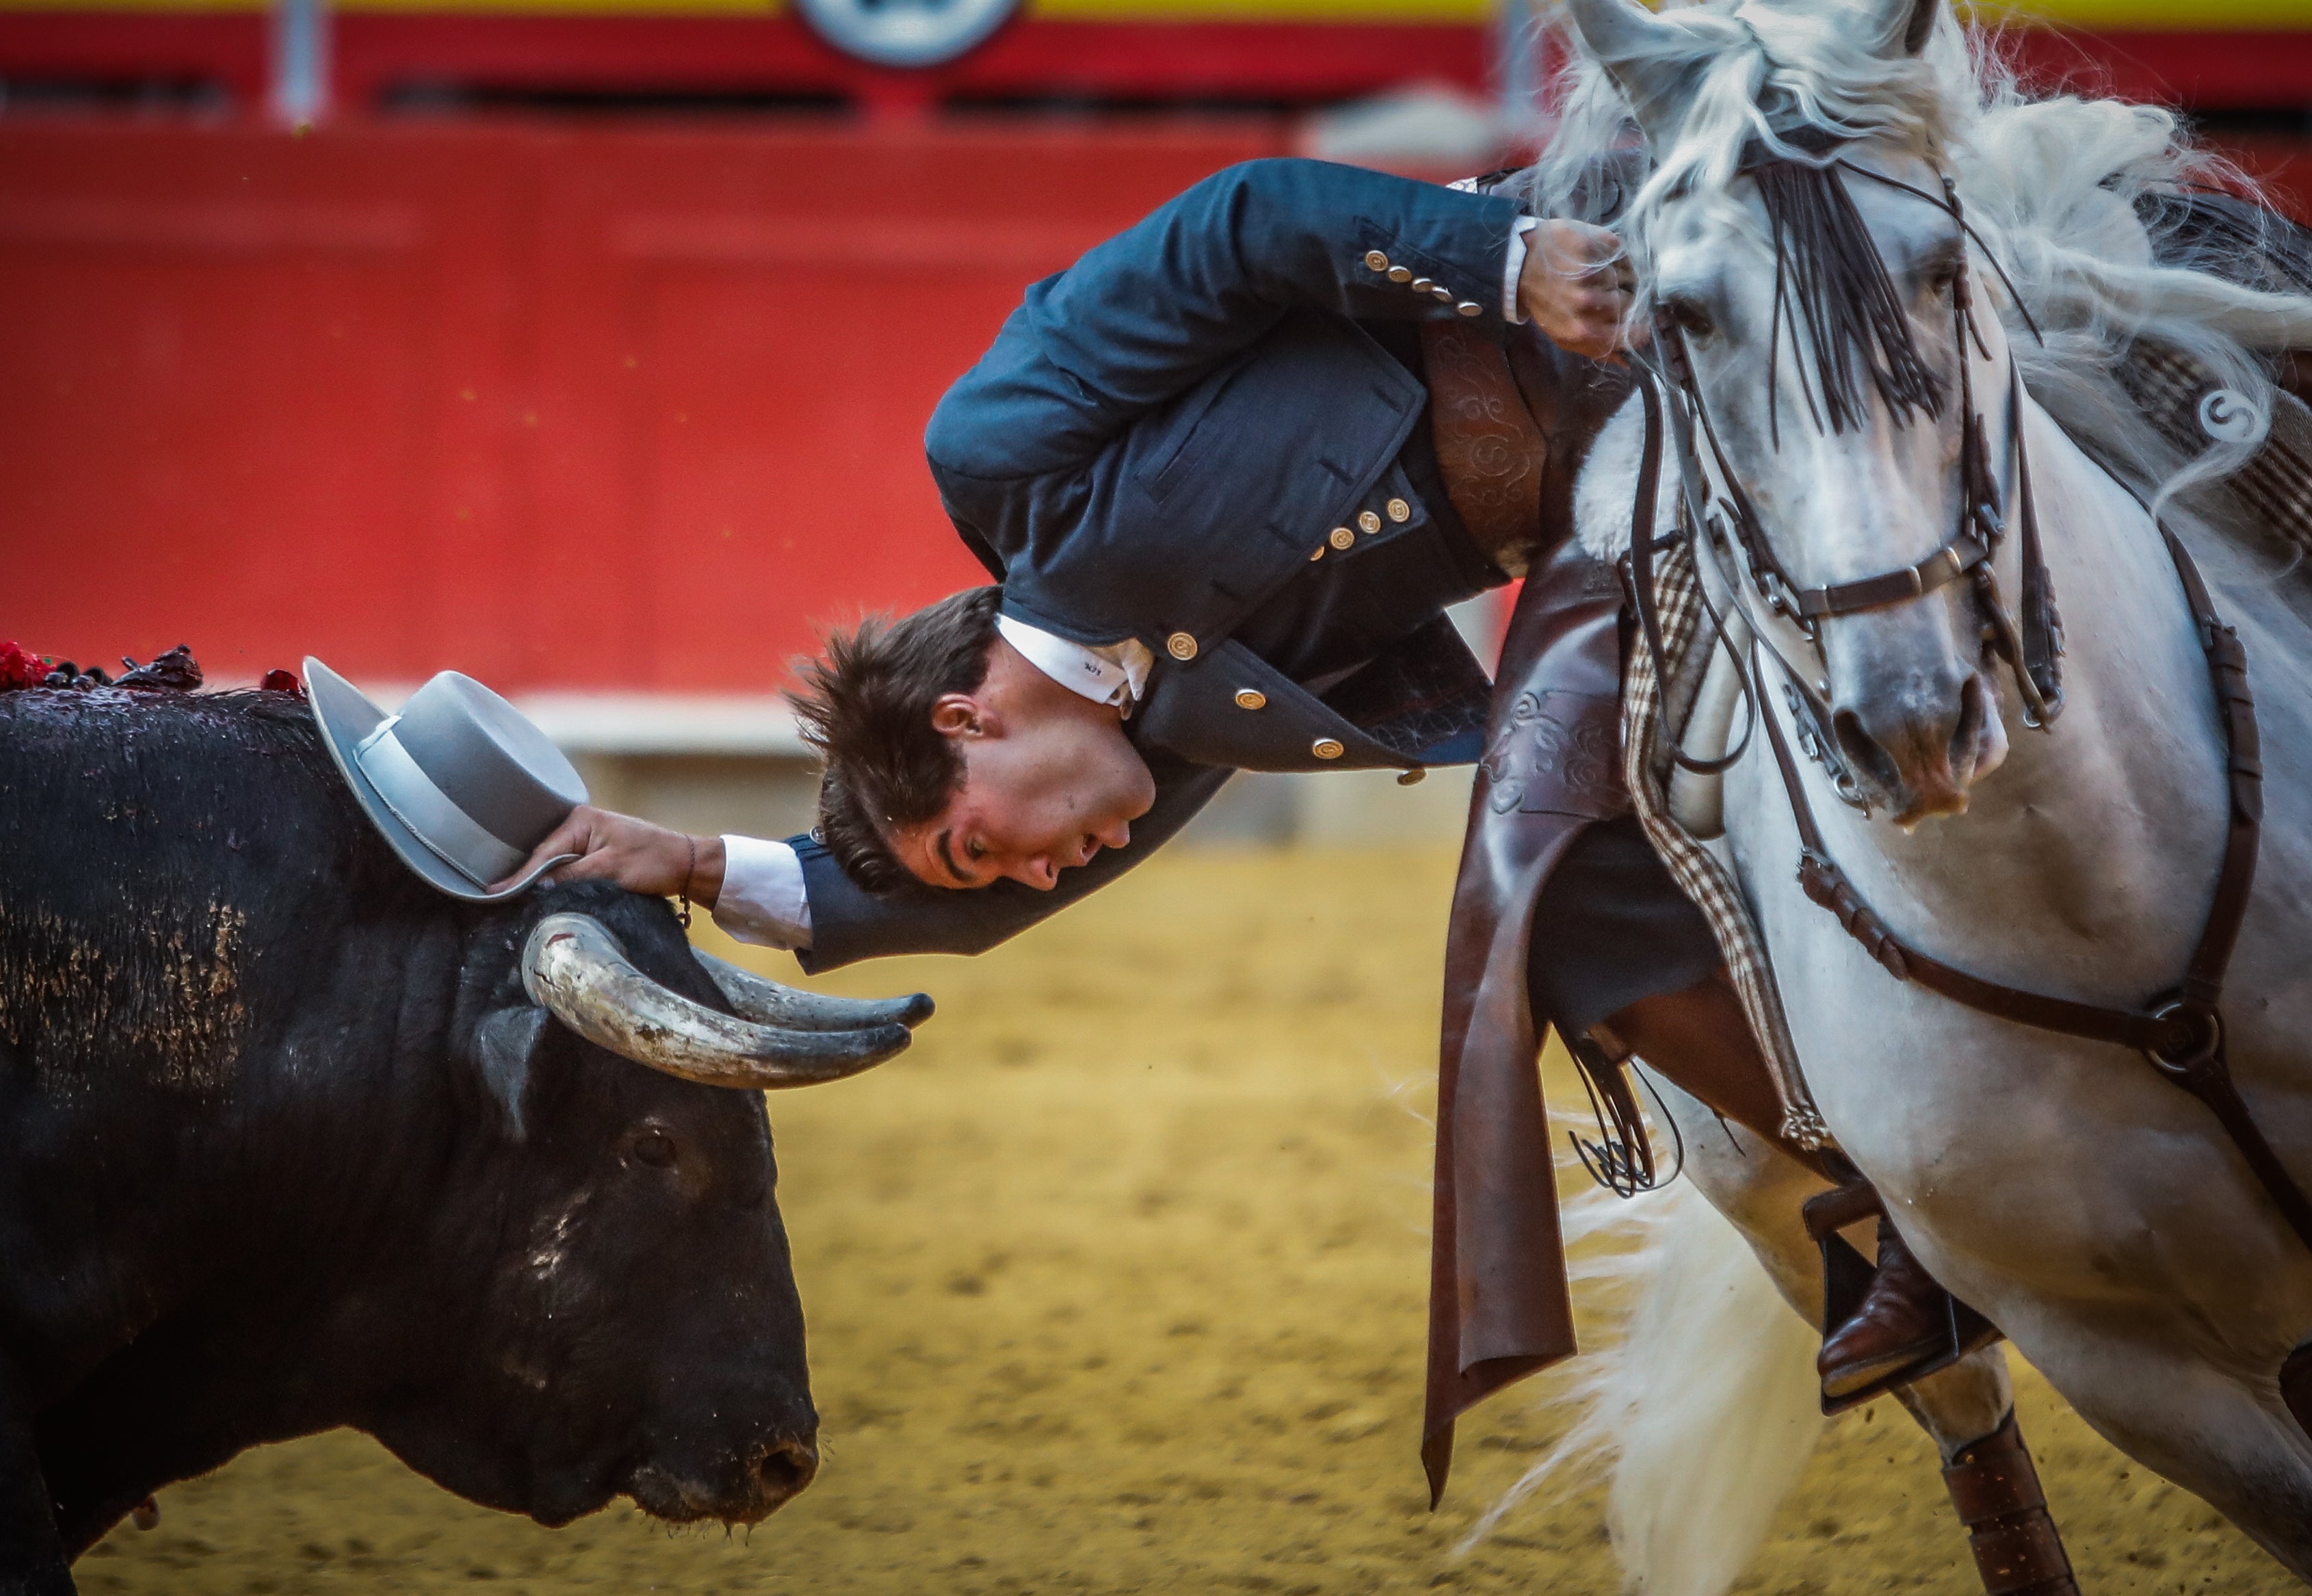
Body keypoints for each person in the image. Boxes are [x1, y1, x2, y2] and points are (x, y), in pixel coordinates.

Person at [501, 157, 1954, 1473]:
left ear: (964, 719)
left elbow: (1240, 224)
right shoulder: (1172, 723)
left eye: (992, 848)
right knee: (1563, 903)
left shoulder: (1006, 456)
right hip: (1638, 511)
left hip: (1633, 277)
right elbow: (955, 891)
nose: (1051, 873)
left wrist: (1511, 263)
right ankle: (1908, 1226)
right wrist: (694, 861)